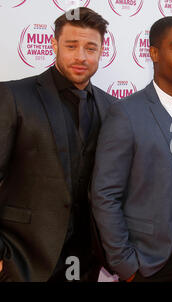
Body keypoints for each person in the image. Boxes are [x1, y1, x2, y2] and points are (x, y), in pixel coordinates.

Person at [91, 16, 172, 282]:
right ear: (154, 53)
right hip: (149, 264)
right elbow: (105, 195)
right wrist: (126, 265)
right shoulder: (125, 114)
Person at [0, 7, 114, 282]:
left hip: (86, 262)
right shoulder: (14, 96)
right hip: (21, 258)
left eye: (90, 48)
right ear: (53, 44)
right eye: (71, 46)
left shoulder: (111, 107)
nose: (81, 56)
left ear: (102, 50)